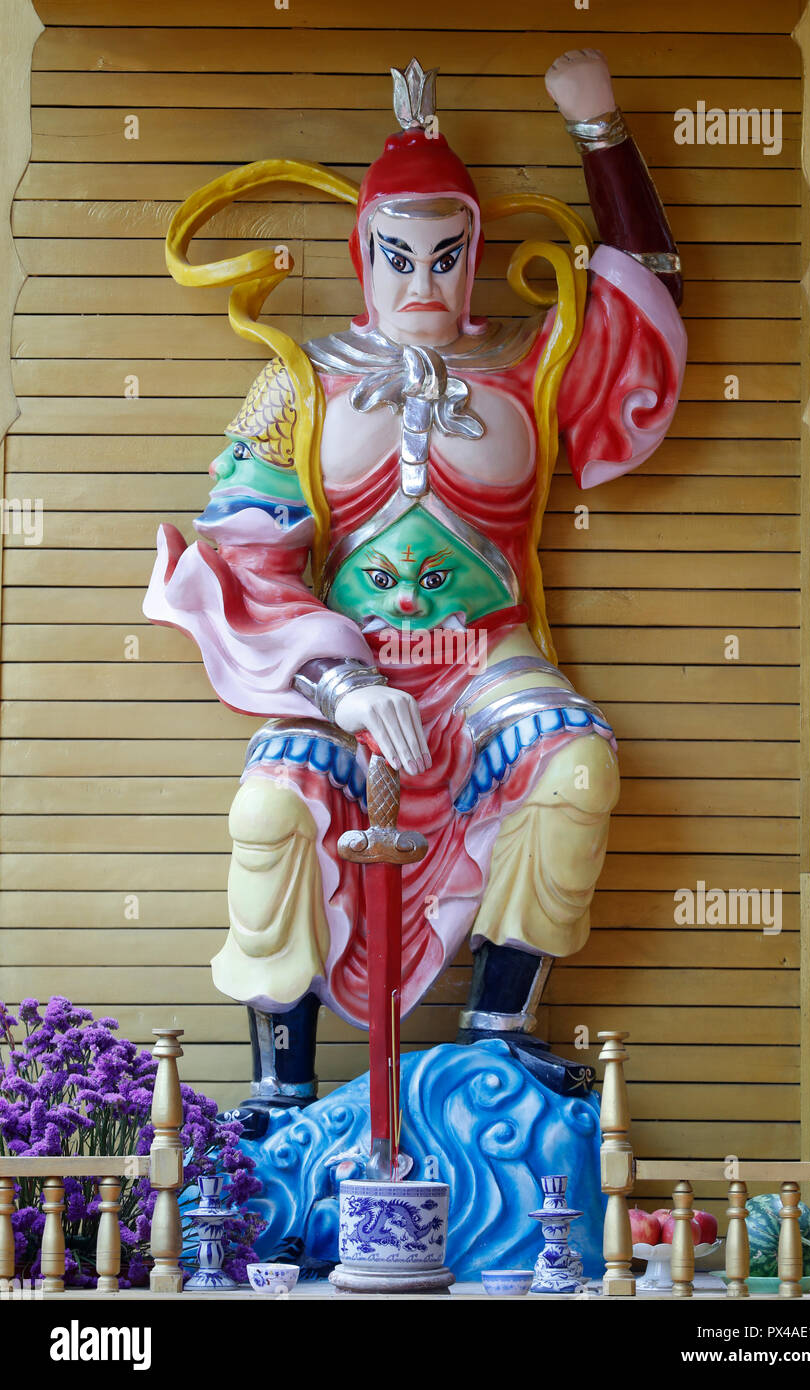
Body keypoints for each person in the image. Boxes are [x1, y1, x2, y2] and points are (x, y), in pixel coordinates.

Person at [145, 52, 686, 1131]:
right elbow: (243, 549)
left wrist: (602, 135)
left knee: (574, 764)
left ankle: (500, 1027)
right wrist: (342, 684)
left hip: (488, 659)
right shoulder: (295, 383)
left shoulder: (531, 367)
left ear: (476, 250)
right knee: (269, 803)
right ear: (363, 253)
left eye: (447, 254)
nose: (423, 280)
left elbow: (647, 307)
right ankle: (279, 1083)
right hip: (346, 672)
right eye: (398, 255)